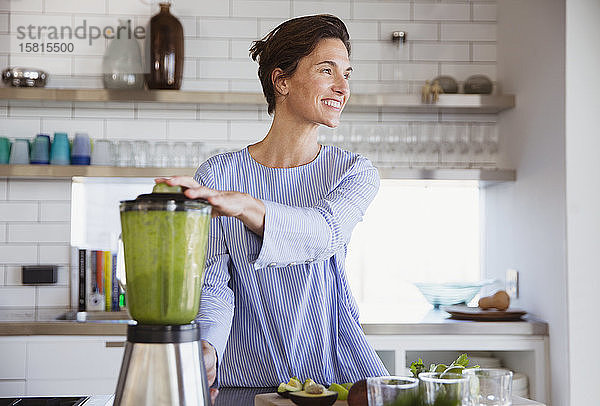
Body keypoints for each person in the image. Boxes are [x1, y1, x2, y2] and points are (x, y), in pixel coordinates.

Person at [157, 14, 388, 402]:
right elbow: (214, 284)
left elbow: (324, 233)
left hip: (338, 377)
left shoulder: (354, 172)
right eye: (327, 70)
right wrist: (209, 347)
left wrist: (248, 206)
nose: (342, 87)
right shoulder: (218, 173)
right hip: (246, 379)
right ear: (282, 81)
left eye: (347, 73)